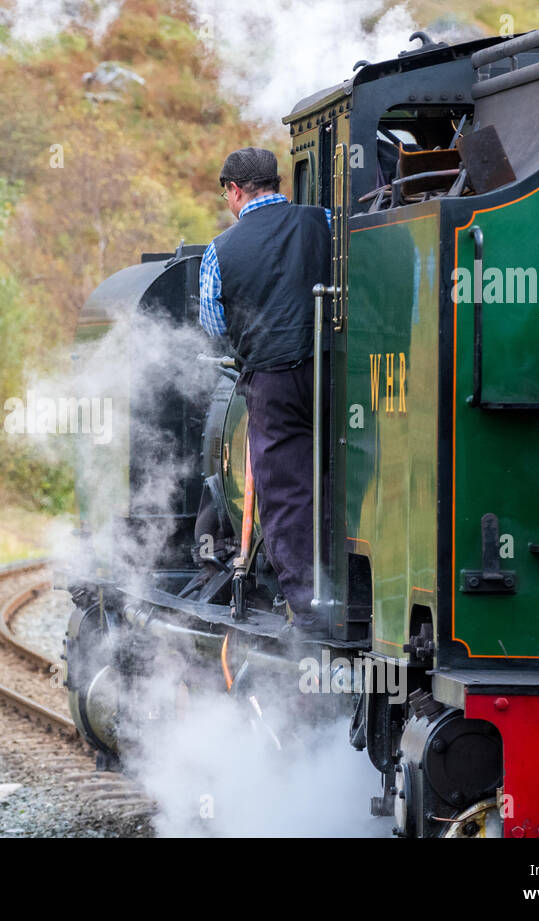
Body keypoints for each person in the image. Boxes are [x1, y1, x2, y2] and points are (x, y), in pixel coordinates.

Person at [199, 147, 332, 635]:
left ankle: (311, 611)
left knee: (286, 493)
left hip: (271, 379)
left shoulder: (220, 250)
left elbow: (213, 323)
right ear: (278, 183)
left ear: (234, 190)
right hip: (334, 369)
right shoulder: (322, 219)